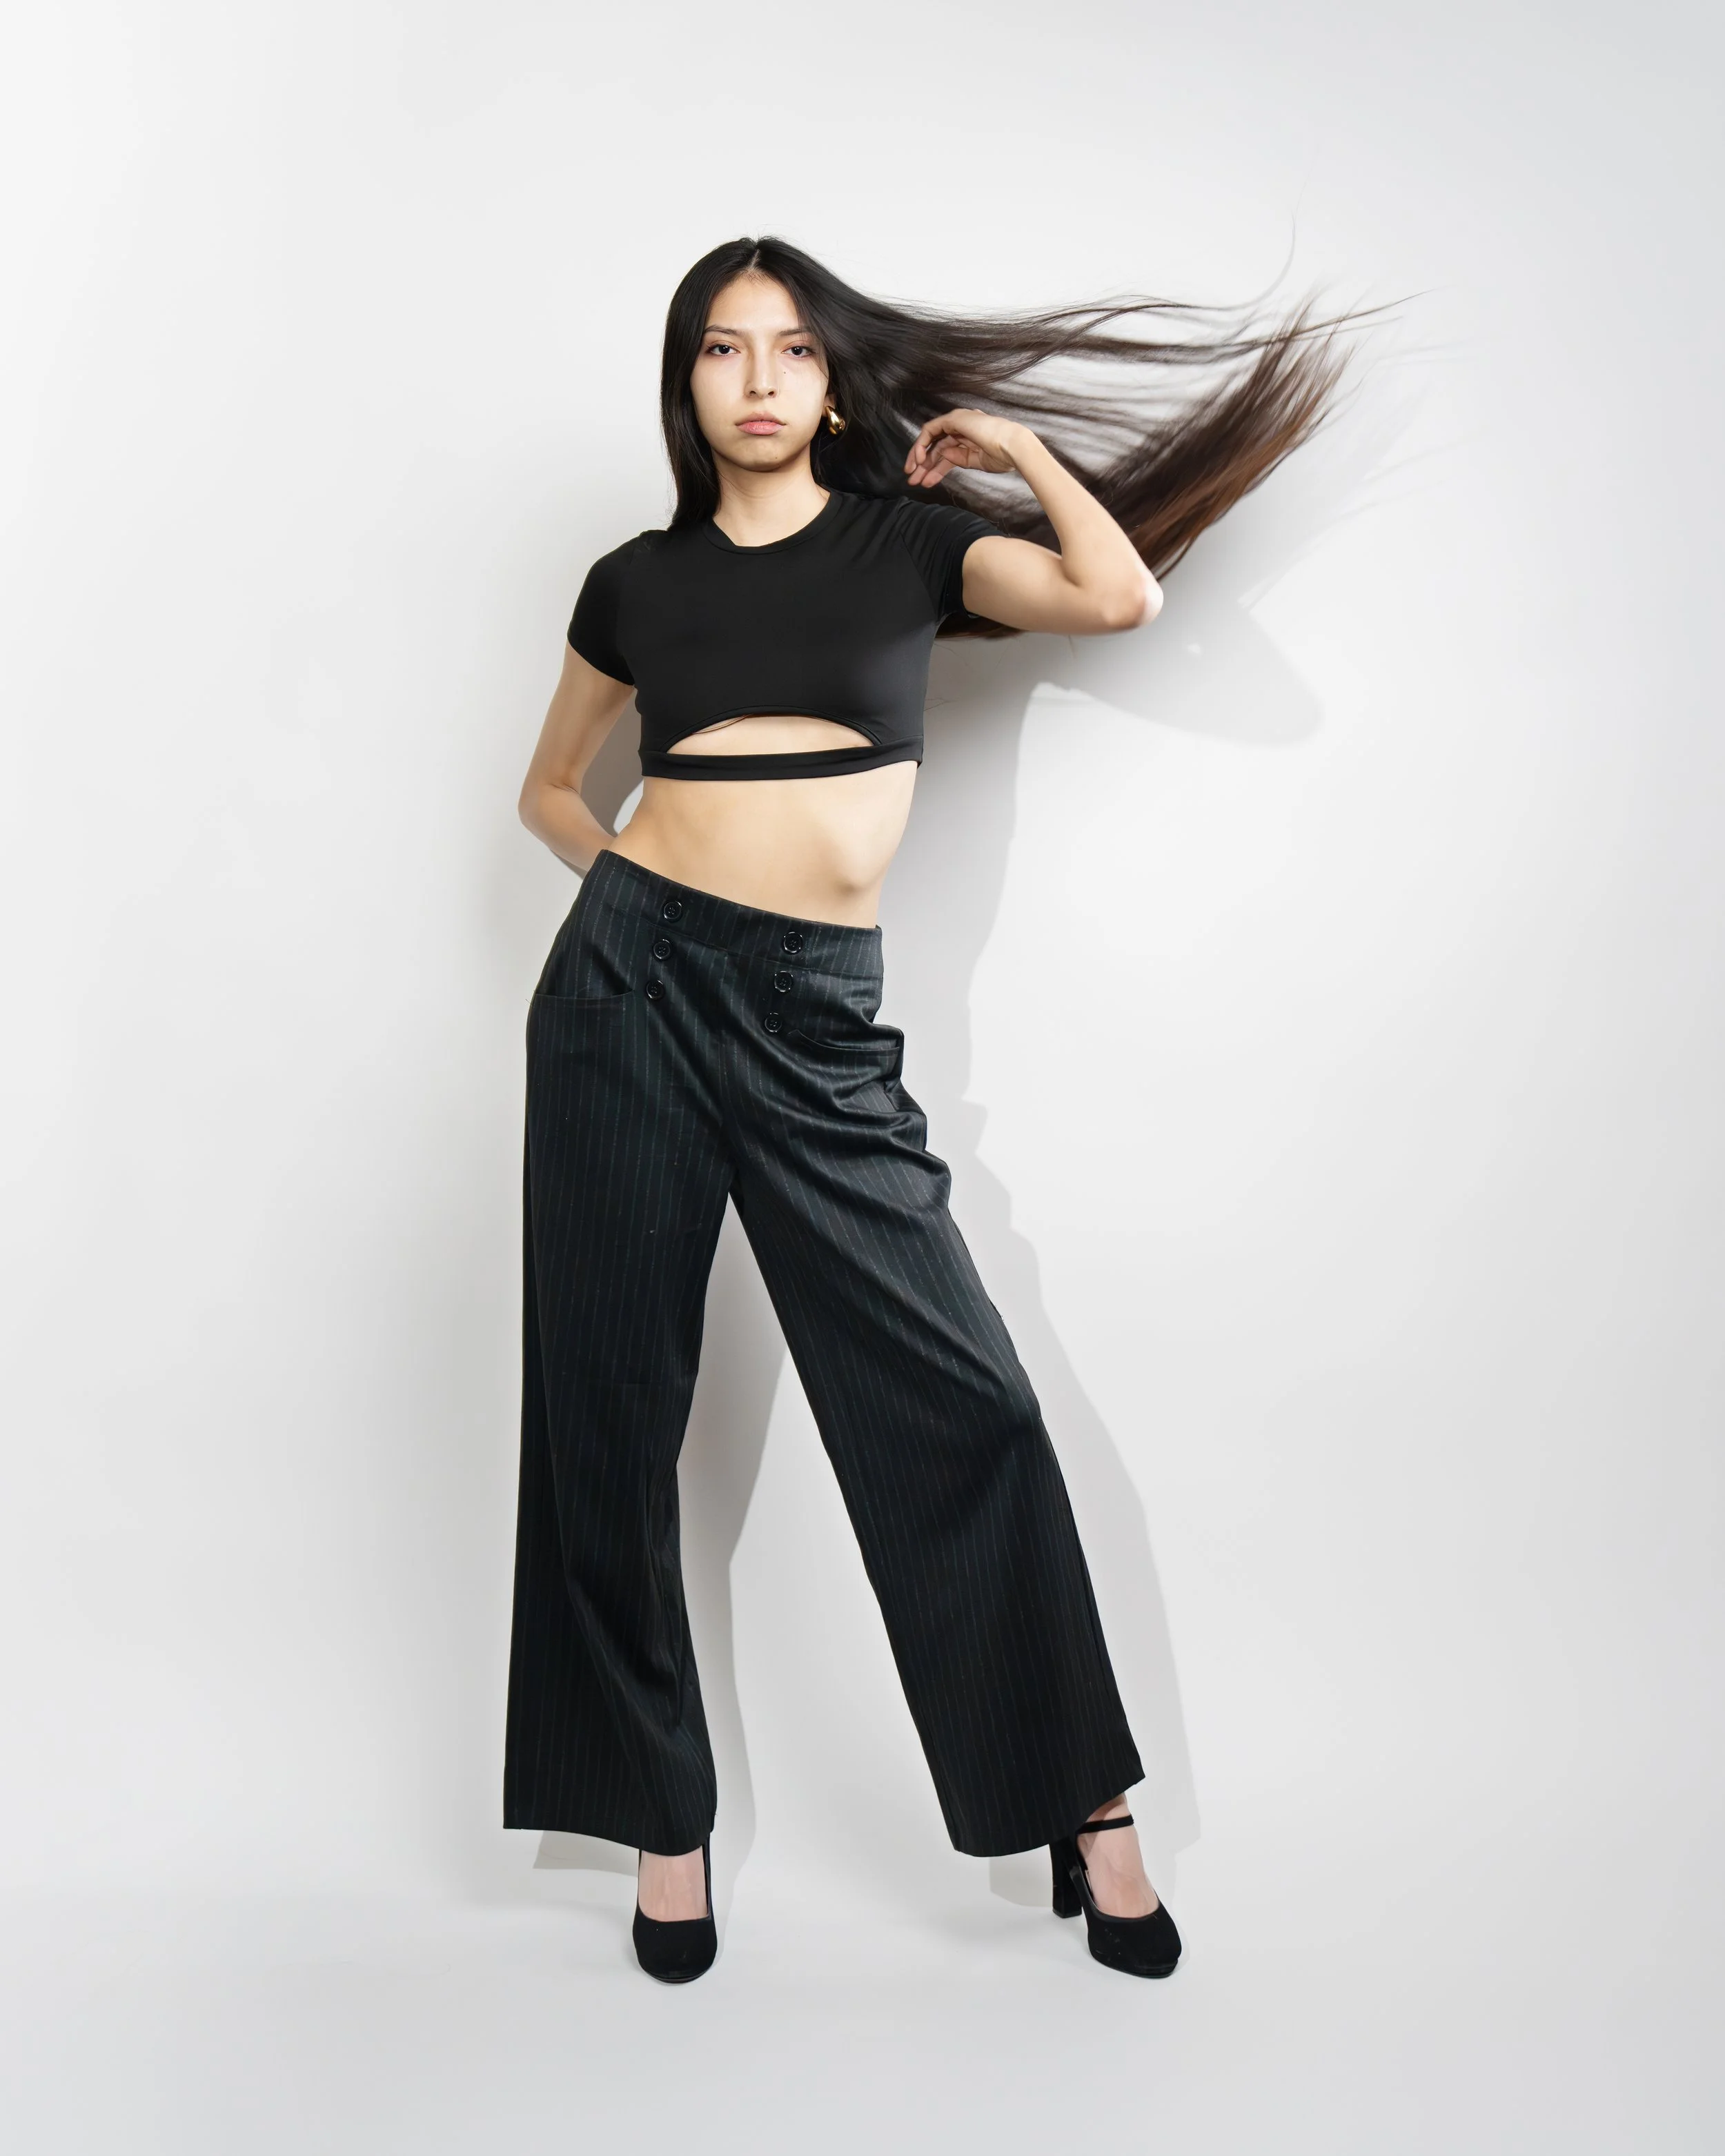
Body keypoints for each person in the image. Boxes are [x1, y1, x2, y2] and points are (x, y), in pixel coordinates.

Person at [508, 235, 1352, 1984]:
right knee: (604, 1410)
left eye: (790, 352)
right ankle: (663, 1828)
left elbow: (1118, 599)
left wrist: (1023, 460)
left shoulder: (909, 544)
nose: (757, 379)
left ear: (828, 384)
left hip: (814, 1015)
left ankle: (1084, 1811)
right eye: (723, 352)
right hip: (623, 996)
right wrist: (629, 904)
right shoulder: (631, 580)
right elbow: (546, 786)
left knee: (957, 1404)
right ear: (685, 385)